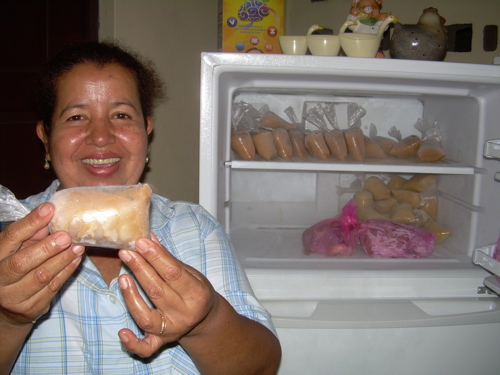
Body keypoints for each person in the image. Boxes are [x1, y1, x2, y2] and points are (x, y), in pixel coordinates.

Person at [0, 41, 281, 374]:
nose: (101, 136)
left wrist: (208, 321)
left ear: (147, 130)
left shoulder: (196, 227)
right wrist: (8, 320)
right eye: (76, 117)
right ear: (45, 136)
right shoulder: (8, 240)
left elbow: (261, 367)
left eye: (121, 115)